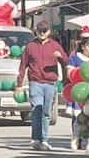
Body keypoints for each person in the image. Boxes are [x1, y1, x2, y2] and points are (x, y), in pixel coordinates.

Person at [16, 21, 68, 151]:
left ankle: (44, 140)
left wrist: (60, 57)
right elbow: (23, 65)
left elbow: (66, 62)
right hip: (36, 82)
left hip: (50, 83)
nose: (42, 33)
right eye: (40, 31)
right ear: (36, 31)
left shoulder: (55, 45)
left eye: (45, 30)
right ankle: (36, 139)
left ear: (49, 31)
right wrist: (19, 84)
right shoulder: (30, 46)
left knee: (46, 112)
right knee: (36, 110)